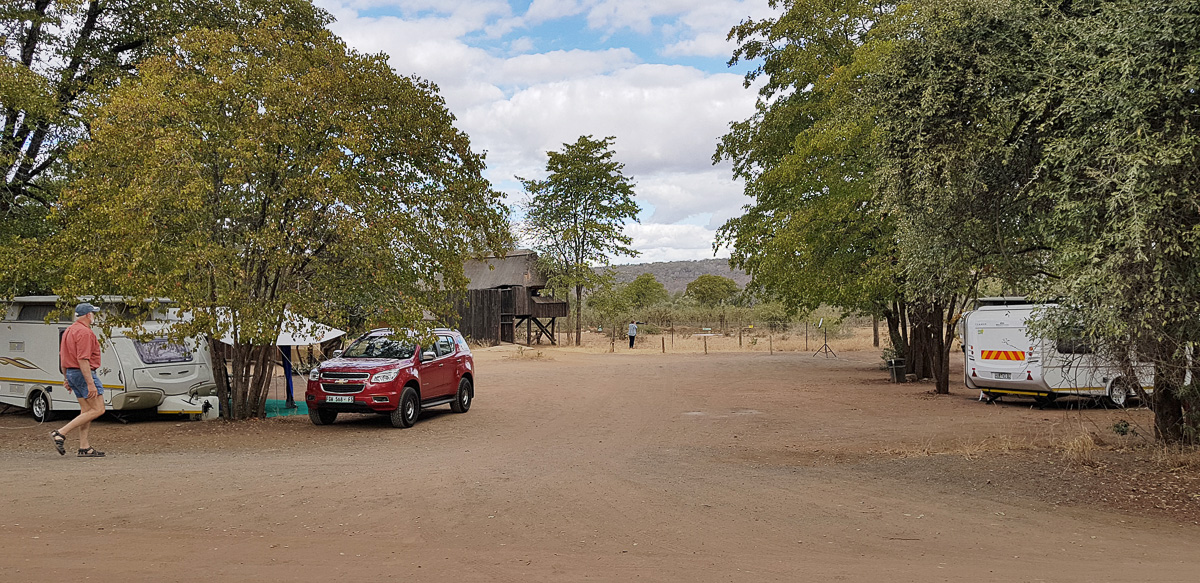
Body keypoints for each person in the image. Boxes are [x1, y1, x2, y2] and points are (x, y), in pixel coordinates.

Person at [50, 302, 107, 458]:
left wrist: (66, 377)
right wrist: (90, 384)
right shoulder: (85, 333)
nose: (94, 316)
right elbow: (83, 359)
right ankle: (60, 433)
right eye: (93, 314)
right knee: (98, 409)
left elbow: (63, 357)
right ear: (88, 315)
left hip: (72, 373)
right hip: (83, 373)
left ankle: (84, 447)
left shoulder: (68, 331)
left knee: (86, 411)